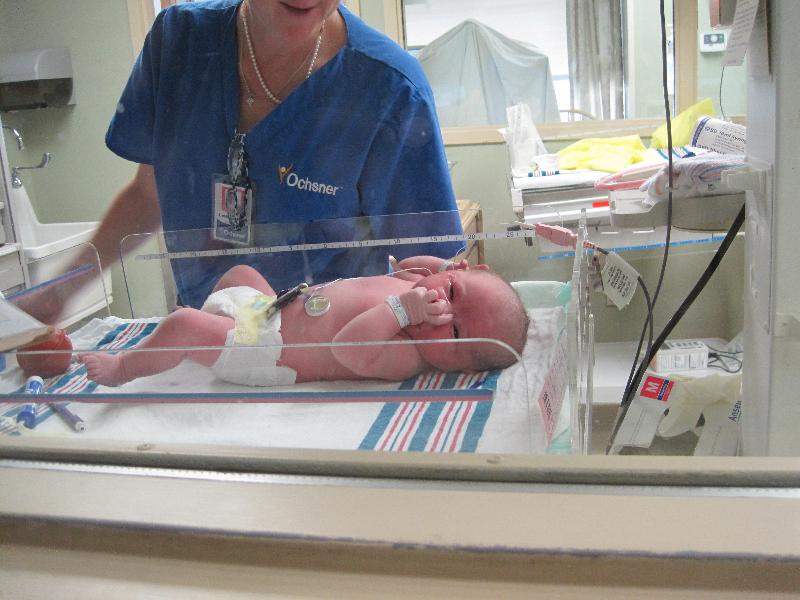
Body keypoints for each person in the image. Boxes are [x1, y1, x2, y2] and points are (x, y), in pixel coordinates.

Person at [87, 0, 463, 311]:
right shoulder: (179, 42)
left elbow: (436, 277)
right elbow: (149, 192)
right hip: (208, 337)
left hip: (332, 347)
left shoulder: (390, 89)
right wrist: (69, 285)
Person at [79, 258, 529, 387]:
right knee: (240, 273)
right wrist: (440, 268)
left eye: (454, 331)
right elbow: (407, 265)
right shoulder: (416, 285)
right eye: (453, 291)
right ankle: (204, 333)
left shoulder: (407, 354)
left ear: (458, 366)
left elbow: (347, 349)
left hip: (267, 353)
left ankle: (124, 368)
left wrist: (403, 312)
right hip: (270, 313)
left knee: (183, 325)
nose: (441, 309)